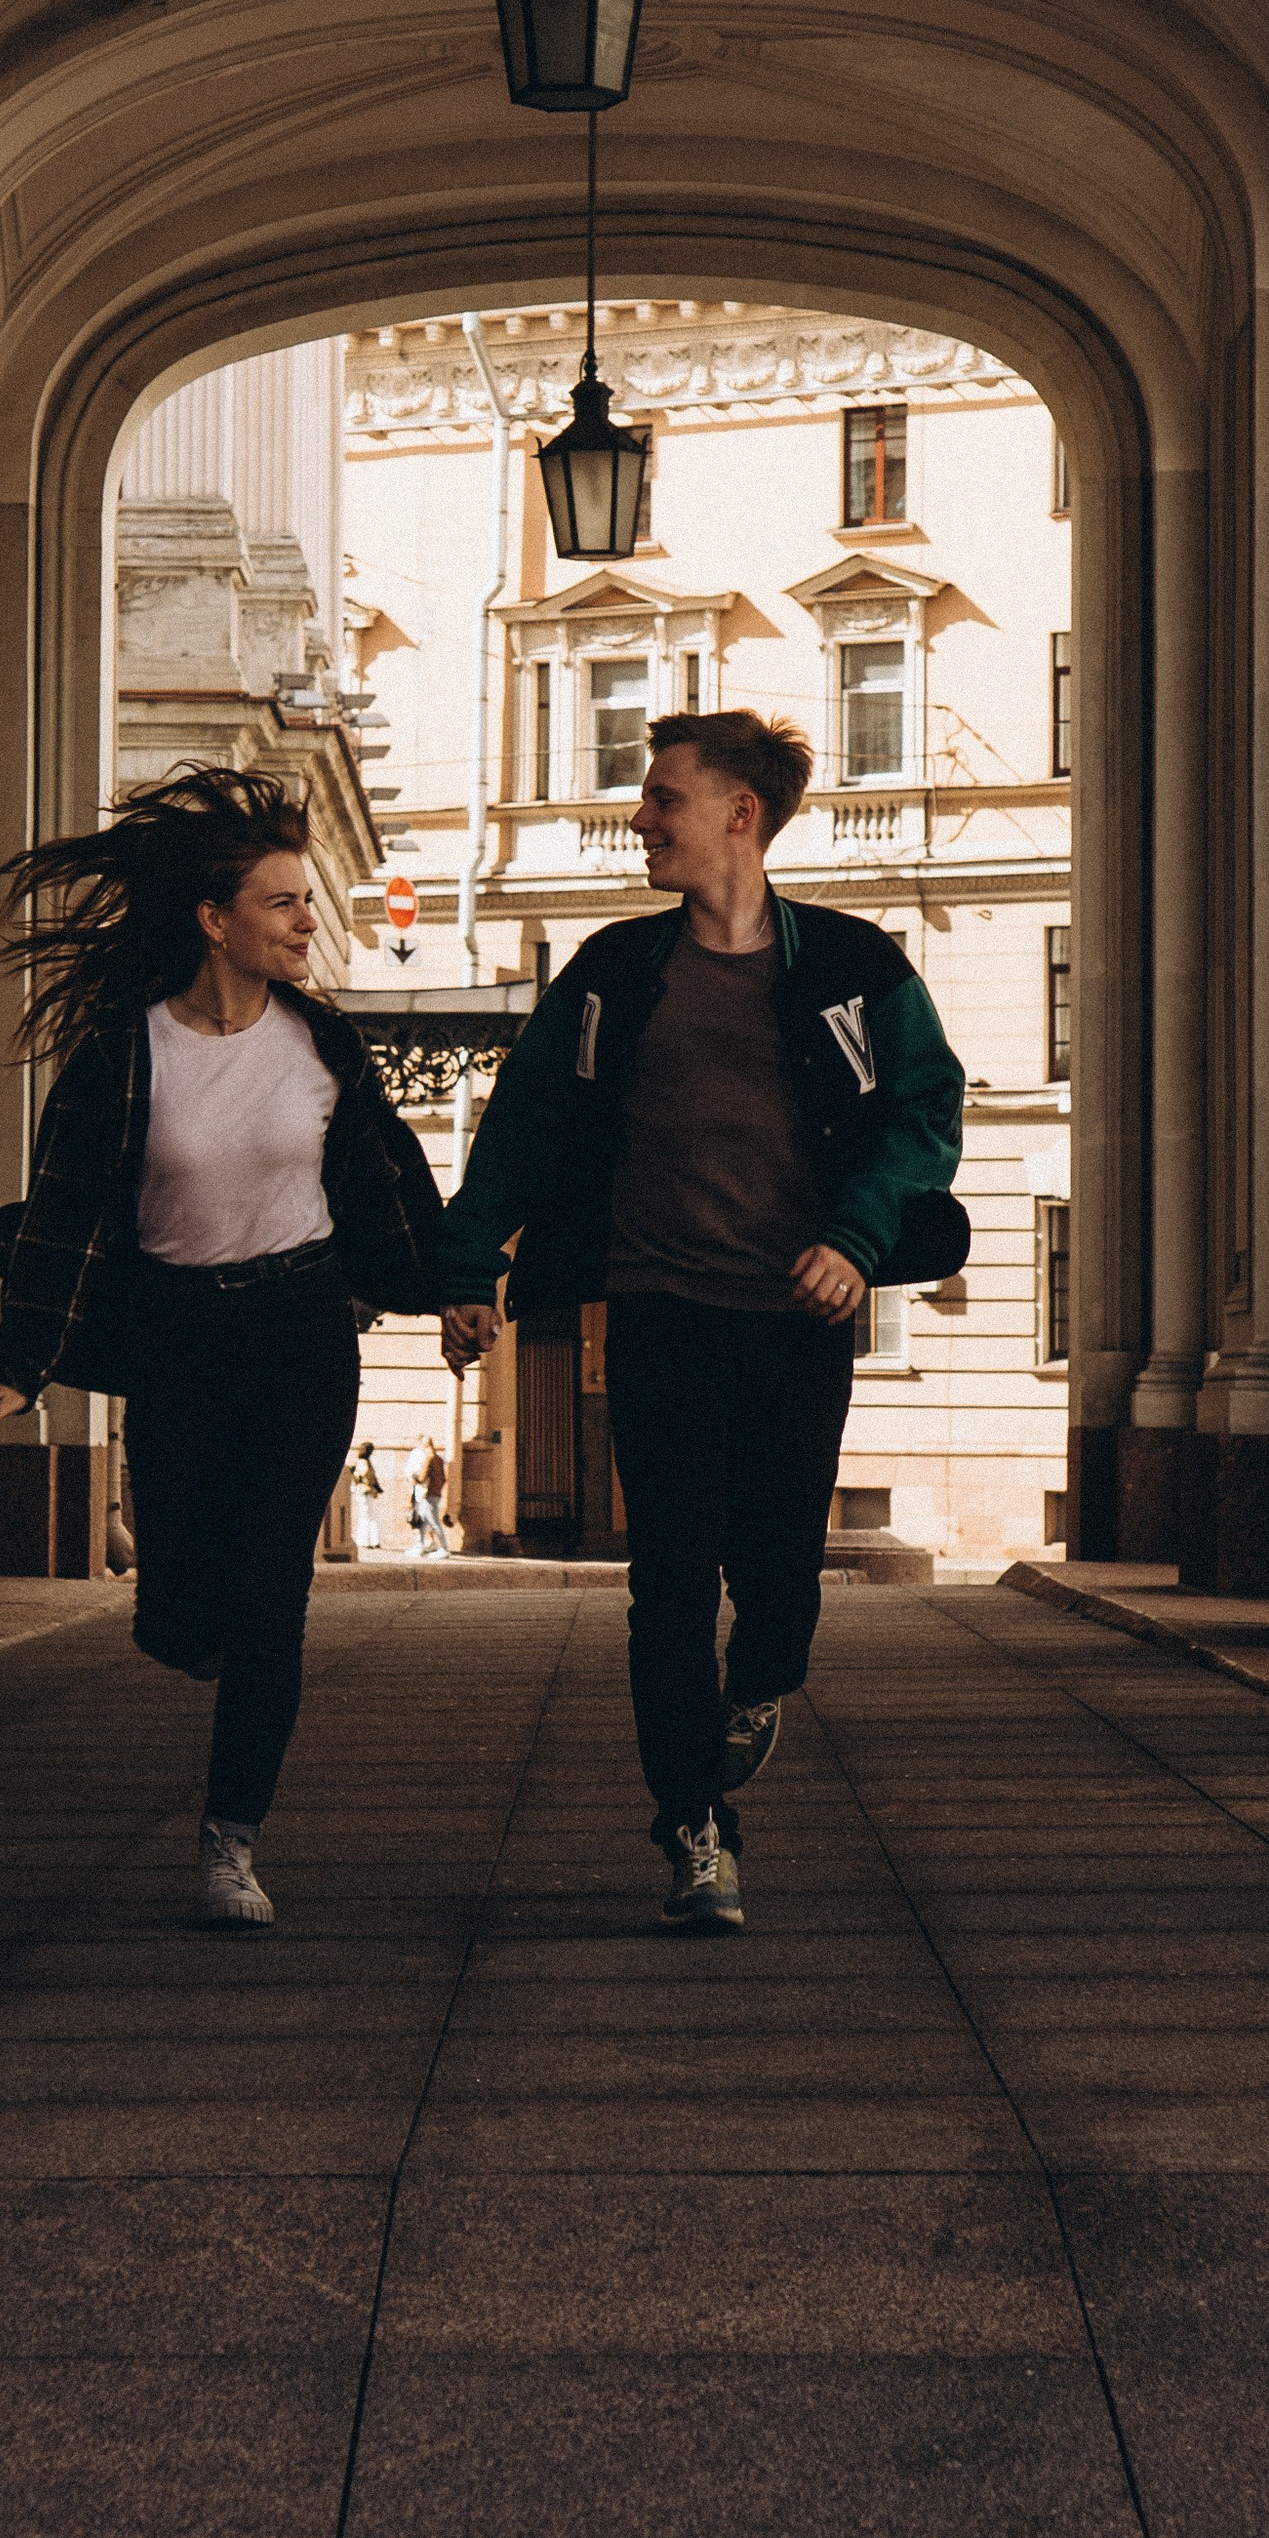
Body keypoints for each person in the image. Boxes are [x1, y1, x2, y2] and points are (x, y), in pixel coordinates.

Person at [438, 710, 966, 1934]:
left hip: (794, 1315)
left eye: (663, 798)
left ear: (742, 814)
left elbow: (923, 1114)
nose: (639, 819)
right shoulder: (611, 977)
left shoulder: (850, 965)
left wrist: (855, 1239)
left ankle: (761, 1685)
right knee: (668, 1581)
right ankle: (694, 1828)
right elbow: (520, 1132)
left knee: (778, 1571)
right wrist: (470, 1265)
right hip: (660, 1312)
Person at [0, 767, 440, 1929]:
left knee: (273, 1596)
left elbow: (384, 1187)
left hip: (302, 1332)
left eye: (307, 904)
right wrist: (21, 1364)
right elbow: (66, 1214)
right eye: (283, 905)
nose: (307, 924)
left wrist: (456, 1290)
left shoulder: (322, 1043)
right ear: (214, 921)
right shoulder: (126, 1058)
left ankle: (231, 1844)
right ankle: (204, 1637)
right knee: (176, 1612)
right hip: (179, 1339)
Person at [406, 1432, 448, 1558]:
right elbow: (444, 1479)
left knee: (433, 1521)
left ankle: (444, 1548)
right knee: (423, 1521)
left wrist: (414, 1477)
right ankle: (419, 1546)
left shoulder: (429, 1458)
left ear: (425, 1445)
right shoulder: (439, 1459)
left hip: (428, 1494)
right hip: (436, 1494)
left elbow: (422, 1477)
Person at [348, 1444, 384, 1552]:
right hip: (363, 1491)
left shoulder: (366, 1462)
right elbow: (365, 1476)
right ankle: (363, 1541)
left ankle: (374, 1541)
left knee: (372, 1516)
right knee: (365, 1516)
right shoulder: (362, 1462)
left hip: (369, 1492)